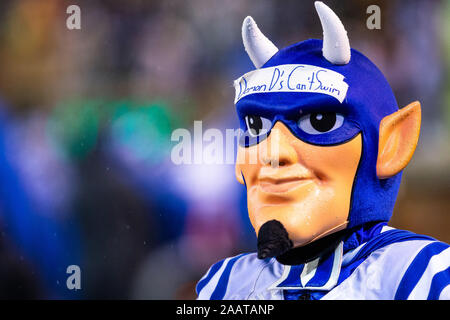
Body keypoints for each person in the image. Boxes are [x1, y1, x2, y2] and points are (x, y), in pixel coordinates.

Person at [196, 2, 450, 300]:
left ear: (392, 144)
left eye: (320, 121)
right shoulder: (225, 284)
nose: (272, 152)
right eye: (255, 126)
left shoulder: (421, 274)